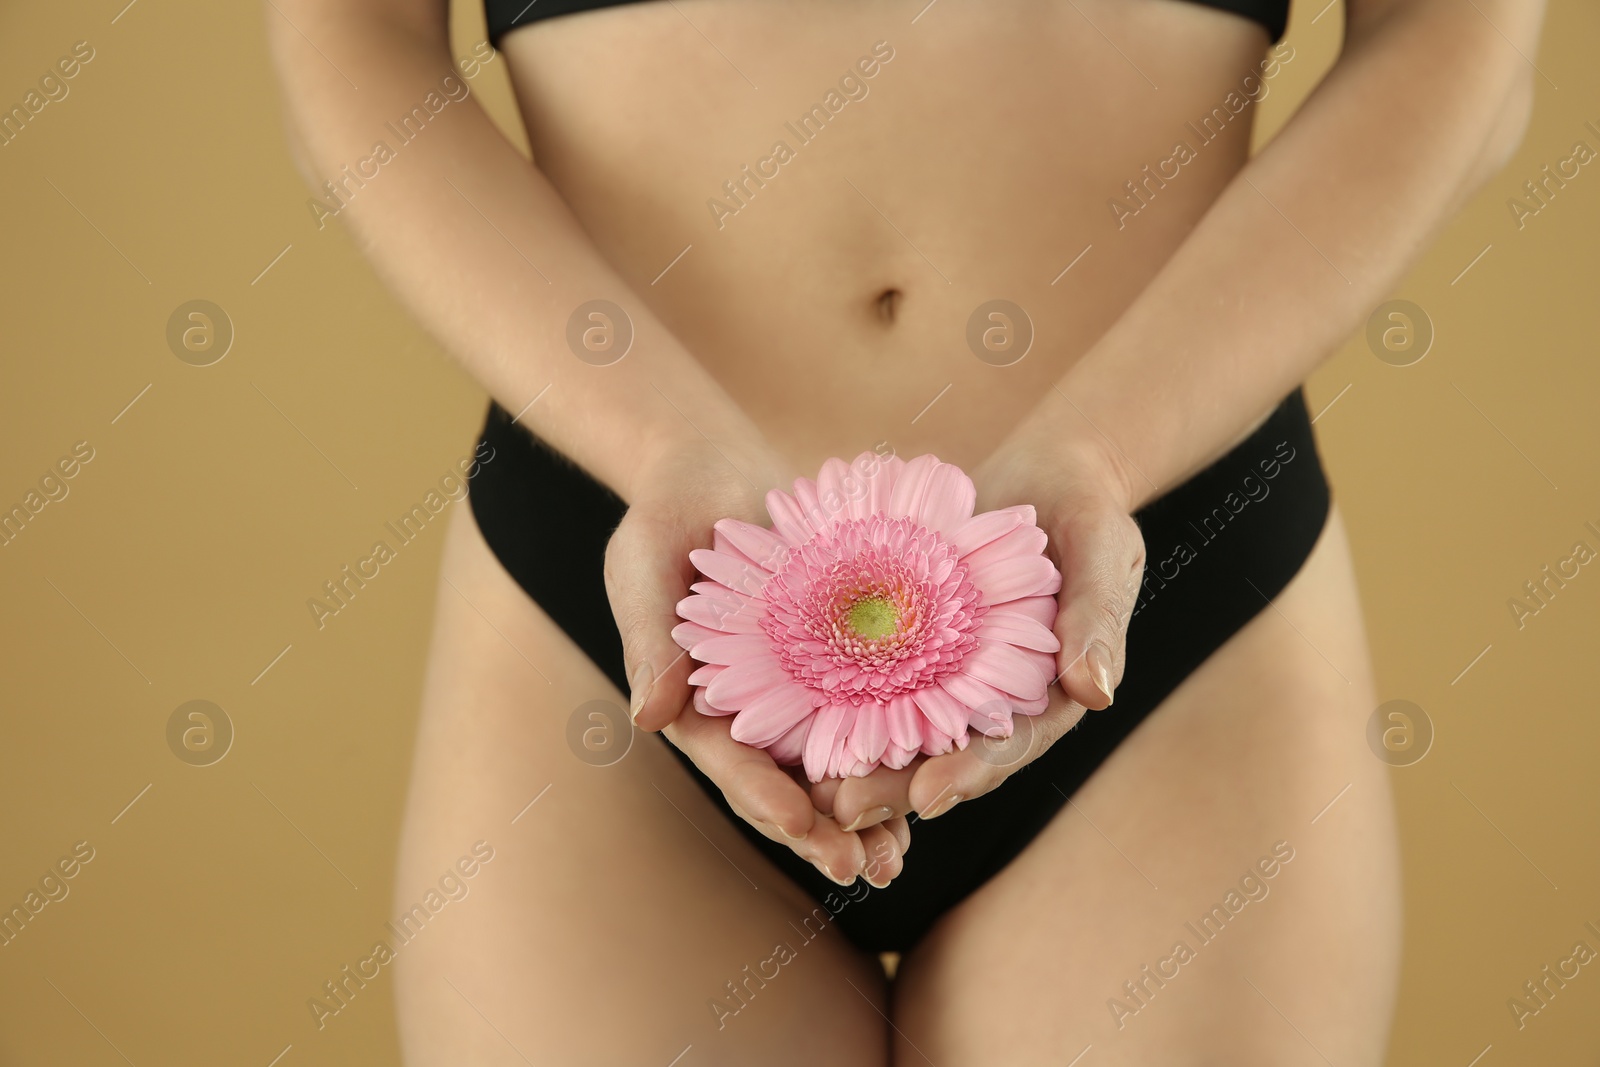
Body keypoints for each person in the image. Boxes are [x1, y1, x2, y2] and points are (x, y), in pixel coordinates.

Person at [268, 0, 1543, 1061]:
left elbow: (1455, 41)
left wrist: (1101, 450)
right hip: (623, 569)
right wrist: (660, 442)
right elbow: (354, 39)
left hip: (1162, 573)